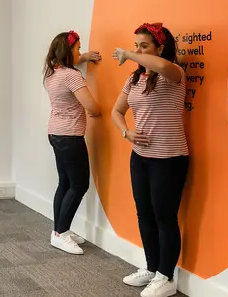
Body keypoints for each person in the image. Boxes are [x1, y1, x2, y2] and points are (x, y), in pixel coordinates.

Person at [111, 22, 188, 297]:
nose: (137, 51)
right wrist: (126, 133)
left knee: (164, 217)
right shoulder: (134, 79)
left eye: (144, 46)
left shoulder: (174, 73)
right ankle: (152, 267)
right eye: (136, 46)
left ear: (160, 48)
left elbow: (162, 67)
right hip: (140, 157)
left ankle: (167, 277)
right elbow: (116, 111)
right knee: (144, 214)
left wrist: (130, 56)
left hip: (168, 158)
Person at [43, 30, 102, 255]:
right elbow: (92, 106)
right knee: (79, 185)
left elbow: (72, 63)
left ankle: (59, 230)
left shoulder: (51, 73)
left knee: (65, 183)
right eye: (78, 48)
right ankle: (61, 232)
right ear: (68, 51)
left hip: (55, 133)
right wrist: (96, 113)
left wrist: (84, 57)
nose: (81, 51)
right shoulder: (71, 75)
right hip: (70, 137)